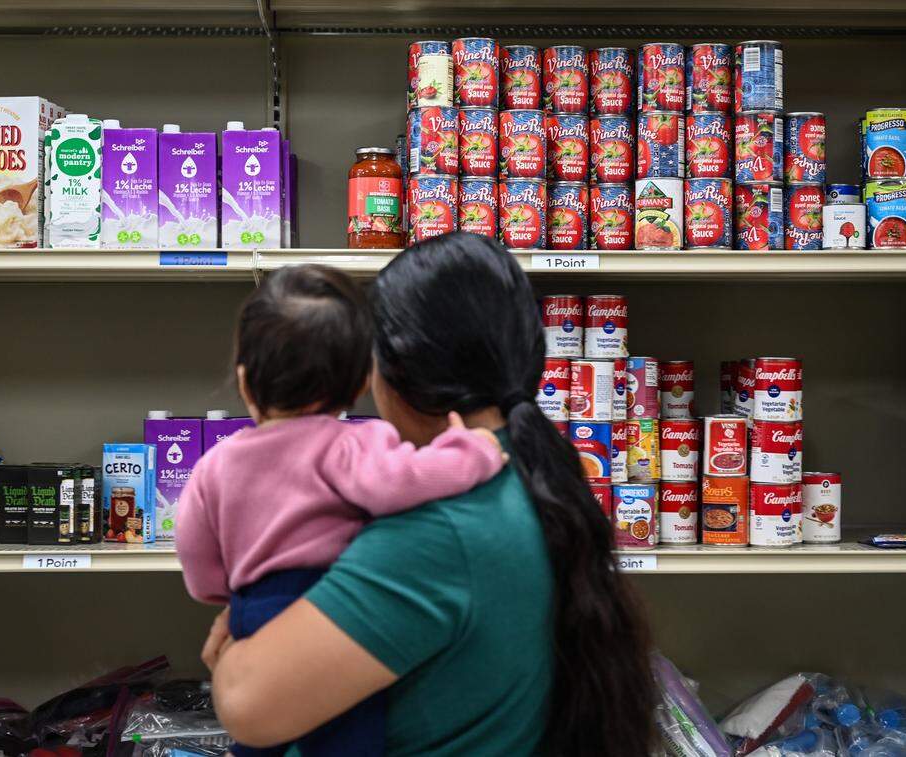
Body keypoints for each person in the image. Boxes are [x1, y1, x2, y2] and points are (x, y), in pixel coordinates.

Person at [200, 232, 657, 756]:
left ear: (394, 374)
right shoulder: (532, 471)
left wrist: (234, 648)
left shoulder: (440, 529)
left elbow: (248, 706)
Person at [175, 263, 508, 757]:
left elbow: (196, 558)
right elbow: (406, 483)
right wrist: (472, 448)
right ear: (357, 385)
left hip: (253, 610)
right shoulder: (352, 445)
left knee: (255, 736)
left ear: (245, 383)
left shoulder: (215, 464)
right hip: (333, 608)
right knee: (347, 736)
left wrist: (231, 593)